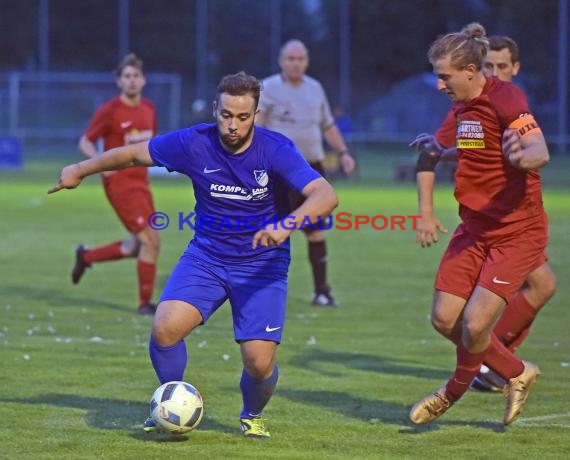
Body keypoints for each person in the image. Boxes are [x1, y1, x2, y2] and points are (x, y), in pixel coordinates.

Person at [49, 71, 339, 438]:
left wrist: (285, 226)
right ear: (216, 109)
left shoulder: (276, 149)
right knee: (165, 327)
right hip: (207, 259)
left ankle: (252, 414)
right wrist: (79, 169)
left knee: (259, 363)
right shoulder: (194, 142)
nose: (233, 125)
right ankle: (171, 401)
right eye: (227, 115)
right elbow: (132, 155)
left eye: (243, 117)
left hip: (262, 266)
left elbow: (325, 195)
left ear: (256, 115)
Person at [408, 23, 549, 426]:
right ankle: (518, 371)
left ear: (471, 70)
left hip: (515, 233)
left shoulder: (507, 96)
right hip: (474, 229)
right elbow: (477, 148)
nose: (439, 85)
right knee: (444, 319)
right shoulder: (462, 107)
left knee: (474, 323)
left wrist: (526, 157)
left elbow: (537, 146)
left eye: (444, 76)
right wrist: (442, 151)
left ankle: (450, 393)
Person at [257, 39, 356, 307]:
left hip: (312, 170)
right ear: (281, 61)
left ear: (307, 61)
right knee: (276, 230)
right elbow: (256, 128)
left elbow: (328, 125)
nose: (296, 63)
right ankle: (262, 291)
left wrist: (344, 152)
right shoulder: (268, 88)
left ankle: (322, 292)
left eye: (300, 59)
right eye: (290, 59)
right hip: (279, 173)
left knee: (315, 231)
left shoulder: (314, 88)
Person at [74, 53, 160, 315]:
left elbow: (149, 146)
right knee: (150, 242)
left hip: (142, 183)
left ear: (143, 80)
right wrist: (100, 162)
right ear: (119, 81)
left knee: (137, 246)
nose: (132, 81)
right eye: (127, 77)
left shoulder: (149, 109)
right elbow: (85, 141)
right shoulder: (110, 111)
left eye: (136, 76)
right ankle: (145, 305)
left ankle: (86, 257)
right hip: (120, 184)